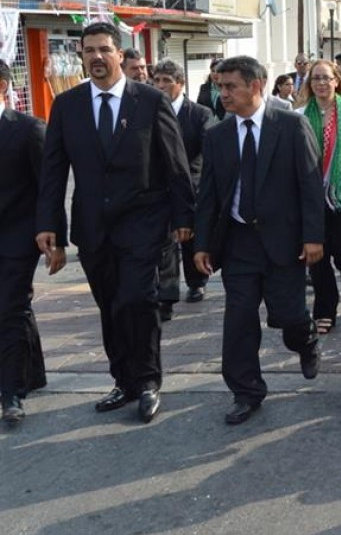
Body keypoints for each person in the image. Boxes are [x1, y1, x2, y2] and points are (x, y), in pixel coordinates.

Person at [36, 22, 194, 424]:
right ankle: (123, 380)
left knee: (138, 301)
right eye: (88, 51)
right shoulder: (67, 105)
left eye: (104, 49)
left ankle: (147, 383)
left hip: (144, 223)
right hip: (93, 228)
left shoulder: (149, 101)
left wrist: (184, 218)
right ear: (82, 57)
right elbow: (53, 171)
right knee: (110, 306)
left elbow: (175, 164)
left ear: (120, 55)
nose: (96, 57)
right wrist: (49, 224)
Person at [192, 55, 324, 425]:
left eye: (230, 86)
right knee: (239, 318)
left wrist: (313, 237)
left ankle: (307, 338)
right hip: (237, 243)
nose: (223, 95)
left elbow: (310, 185)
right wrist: (202, 243)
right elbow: (209, 195)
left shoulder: (291, 127)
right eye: (220, 87)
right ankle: (246, 390)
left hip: (284, 241)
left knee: (288, 316)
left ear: (256, 85)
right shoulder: (217, 134)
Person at [294, 60, 341, 334]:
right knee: (317, 254)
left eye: (326, 78)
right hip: (311, 195)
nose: (321, 84)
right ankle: (325, 309)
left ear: (337, 81)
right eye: (316, 79)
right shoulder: (299, 115)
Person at [0, 60, 48, 424]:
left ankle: (11, 394)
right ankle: (32, 374)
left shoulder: (29, 130)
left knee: (9, 309)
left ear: (3, 87)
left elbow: (48, 188)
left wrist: (51, 235)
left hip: (17, 238)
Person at [151, 59, 217, 313]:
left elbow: (209, 154)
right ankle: (166, 294)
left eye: (166, 81)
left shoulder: (199, 114)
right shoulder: (149, 110)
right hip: (160, 188)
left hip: (191, 187)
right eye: (156, 80)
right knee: (164, 241)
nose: (160, 86)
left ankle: (196, 281)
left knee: (190, 236)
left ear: (180, 83)